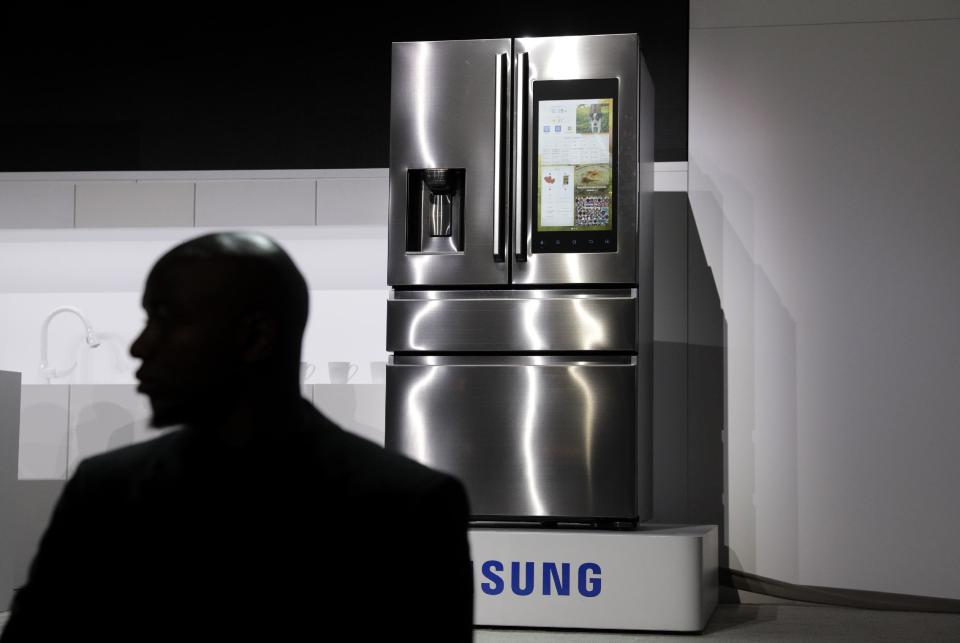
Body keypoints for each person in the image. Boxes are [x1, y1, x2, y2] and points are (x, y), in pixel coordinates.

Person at [1, 232, 473, 642]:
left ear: (255, 337)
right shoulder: (100, 491)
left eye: (167, 318)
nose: (139, 346)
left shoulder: (409, 508)